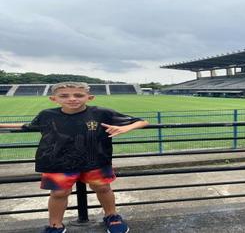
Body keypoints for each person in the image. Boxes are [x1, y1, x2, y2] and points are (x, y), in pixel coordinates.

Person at [0, 82, 149, 233]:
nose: (72, 99)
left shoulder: (101, 113)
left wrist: (124, 128)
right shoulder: (47, 114)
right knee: (58, 193)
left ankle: (112, 216)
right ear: (54, 99)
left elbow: (142, 121)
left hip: (95, 159)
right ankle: (55, 224)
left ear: (89, 97)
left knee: (103, 188)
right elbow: (27, 126)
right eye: (64, 96)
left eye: (78, 95)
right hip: (57, 161)